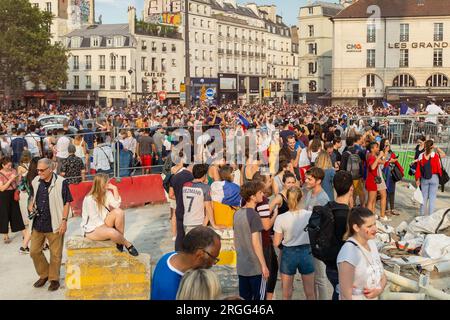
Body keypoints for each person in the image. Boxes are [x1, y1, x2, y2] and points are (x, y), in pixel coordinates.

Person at [28, 158, 73, 291]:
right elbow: (32, 196)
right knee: (34, 251)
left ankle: (54, 279)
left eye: (42, 170)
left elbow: (67, 202)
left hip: (55, 223)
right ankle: (44, 274)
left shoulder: (61, 182)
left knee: (55, 254)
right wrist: (31, 204)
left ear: (50, 169)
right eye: (38, 170)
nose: (39, 172)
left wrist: (64, 221)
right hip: (38, 223)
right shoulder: (36, 181)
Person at [151, 226, 221, 300]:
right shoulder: (173, 290)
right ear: (199, 254)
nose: (214, 263)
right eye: (213, 258)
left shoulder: (170, 256)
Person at [273, 186, 315, 300]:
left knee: (286, 294)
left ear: (286, 200)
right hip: (306, 252)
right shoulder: (309, 215)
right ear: (301, 199)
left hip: (288, 253)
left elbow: (276, 242)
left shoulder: (281, 218)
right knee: (310, 293)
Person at [80, 174, 138, 256]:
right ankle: (127, 244)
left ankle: (119, 242)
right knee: (112, 232)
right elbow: (96, 220)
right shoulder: (89, 199)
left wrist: (115, 188)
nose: (109, 184)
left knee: (119, 212)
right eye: (107, 182)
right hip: (91, 229)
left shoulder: (107, 193)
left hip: (104, 222)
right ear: (101, 184)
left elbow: (116, 205)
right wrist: (113, 231)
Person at [337, 207, 387, 300]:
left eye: (375, 224)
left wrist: (378, 290)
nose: (375, 229)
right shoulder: (348, 254)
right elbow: (345, 295)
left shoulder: (371, 243)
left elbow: (382, 276)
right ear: (356, 227)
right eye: (369, 226)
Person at [234, 181, 269, 300]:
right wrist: (263, 266)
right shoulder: (254, 215)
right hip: (255, 267)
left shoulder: (237, 213)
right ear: (252, 197)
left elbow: (236, 239)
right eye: (260, 192)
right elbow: (256, 243)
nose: (262, 195)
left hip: (242, 267)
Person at [324, 171, 353, 300]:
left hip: (329, 264)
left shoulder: (327, 208)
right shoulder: (349, 216)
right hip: (343, 266)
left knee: (337, 292)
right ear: (351, 188)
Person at [303, 167, 330, 300]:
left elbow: (325, 223)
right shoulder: (309, 193)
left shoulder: (323, 198)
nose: (306, 180)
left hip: (318, 243)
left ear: (318, 181)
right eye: (306, 178)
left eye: (309, 179)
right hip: (309, 240)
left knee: (320, 278)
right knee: (311, 277)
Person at [0, 157, 29, 252]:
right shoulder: (0, 174)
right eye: (8, 165)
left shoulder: (13, 170)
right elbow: (2, 188)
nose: (10, 166)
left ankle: (24, 233)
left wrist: (18, 177)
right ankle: (5, 234)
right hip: (4, 196)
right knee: (5, 214)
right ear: (3, 165)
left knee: (16, 213)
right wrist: (10, 179)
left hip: (13, 194)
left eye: (10, 164)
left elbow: (16, 183)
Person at [182, 164, 222, 232]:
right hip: (198, 222)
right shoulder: (205, 188)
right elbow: (209, 208)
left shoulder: (185, 186)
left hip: (186, 221)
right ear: (204, 175)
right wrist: (213, 224)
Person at [169, 154, 194, 251]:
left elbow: (171, 195)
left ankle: (178, 253)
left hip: (179, 207)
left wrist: (179, 197)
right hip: (190, 208)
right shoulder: (192, 177)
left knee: (180, 233)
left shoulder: (174, 177)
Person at [415, 140, 446, 216]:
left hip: (424, 178)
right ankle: (431, 217)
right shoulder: (435, 155)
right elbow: (444, 154)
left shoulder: (421, 156)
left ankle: (422, 216)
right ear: (432, 146)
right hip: (434, 178)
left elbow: (418, 169)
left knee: (424, 198)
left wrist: (417, 179)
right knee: (432, 198)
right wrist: (437, 148)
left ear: (425, 146)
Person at [366, 142, 389, 221]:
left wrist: (385, 153)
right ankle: (369, 217)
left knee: (373, 200)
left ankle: (371, 216)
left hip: (373, 181)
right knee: (370, 201)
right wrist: (379, 156)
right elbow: (372, 167)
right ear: (372, 149)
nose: (378, 149)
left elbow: (383, 162)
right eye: (376, 147)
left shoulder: (372, 157)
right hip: (371, 180)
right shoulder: (371, 157)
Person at [380, 139, 402, 216]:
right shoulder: (381, 153)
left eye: (388, 143)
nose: (388, 145)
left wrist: (394, 160)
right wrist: (389, 160)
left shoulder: (391, 152)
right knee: (385, 192)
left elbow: (395, 161)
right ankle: (386, 209)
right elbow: (381, 164)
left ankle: (392, 208)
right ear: (383, 145)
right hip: (384, 174)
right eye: (386, 144)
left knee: (392, 191)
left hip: (392, 174)